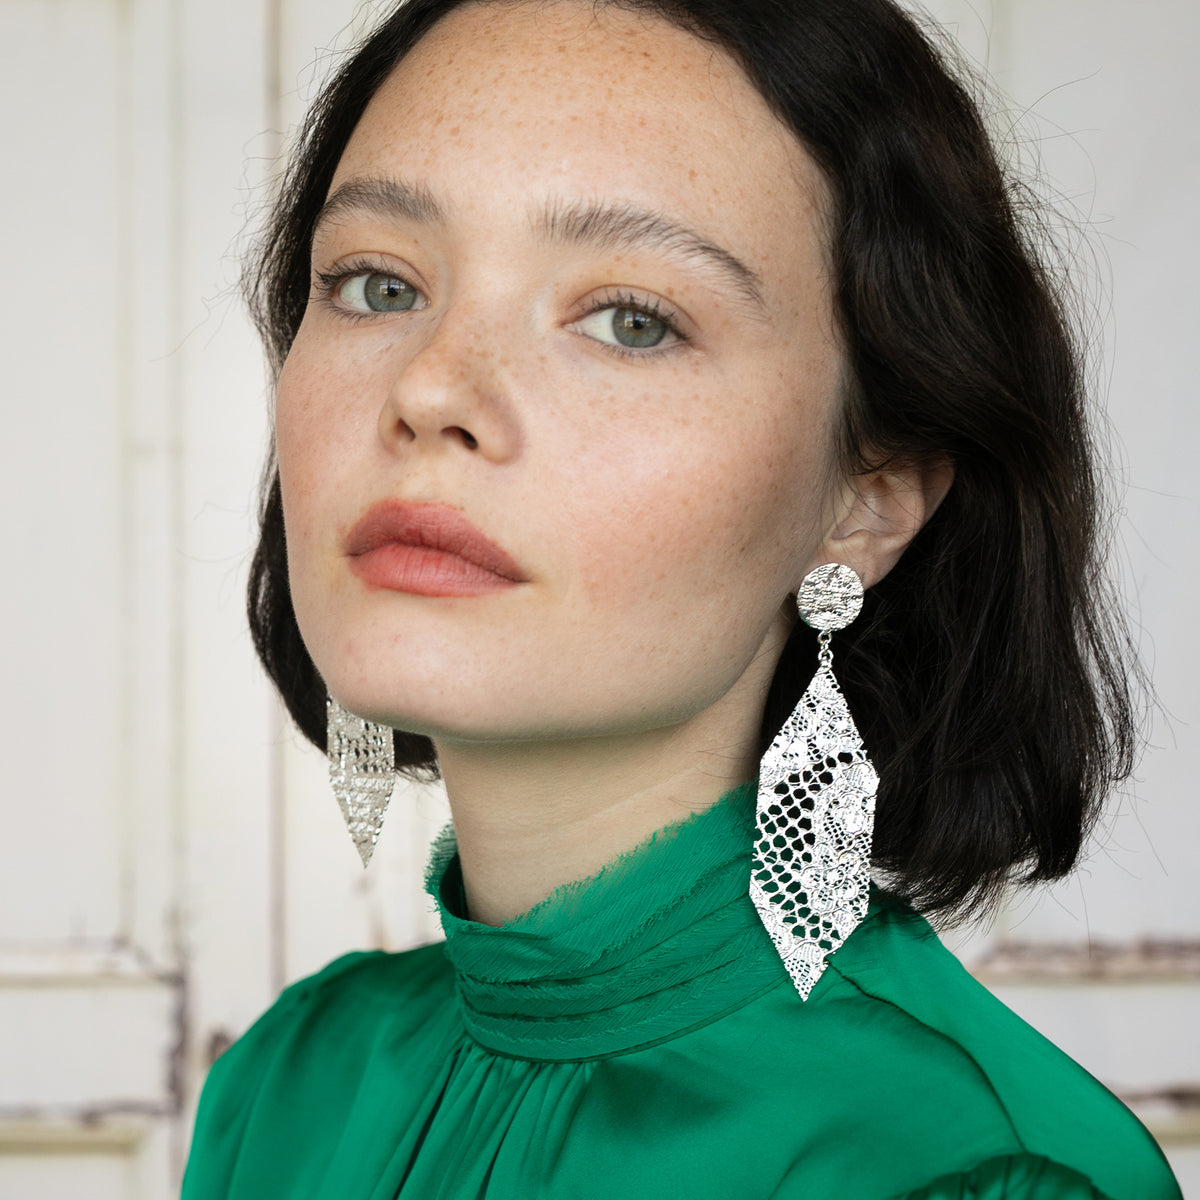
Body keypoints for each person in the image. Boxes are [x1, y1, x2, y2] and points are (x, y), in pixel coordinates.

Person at [181, 0, 1183, 1195]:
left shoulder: (970, 1174)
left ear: (867, 502)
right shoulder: (285, 1087)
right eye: (378, 286)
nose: (432, 389)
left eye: (631, 322)